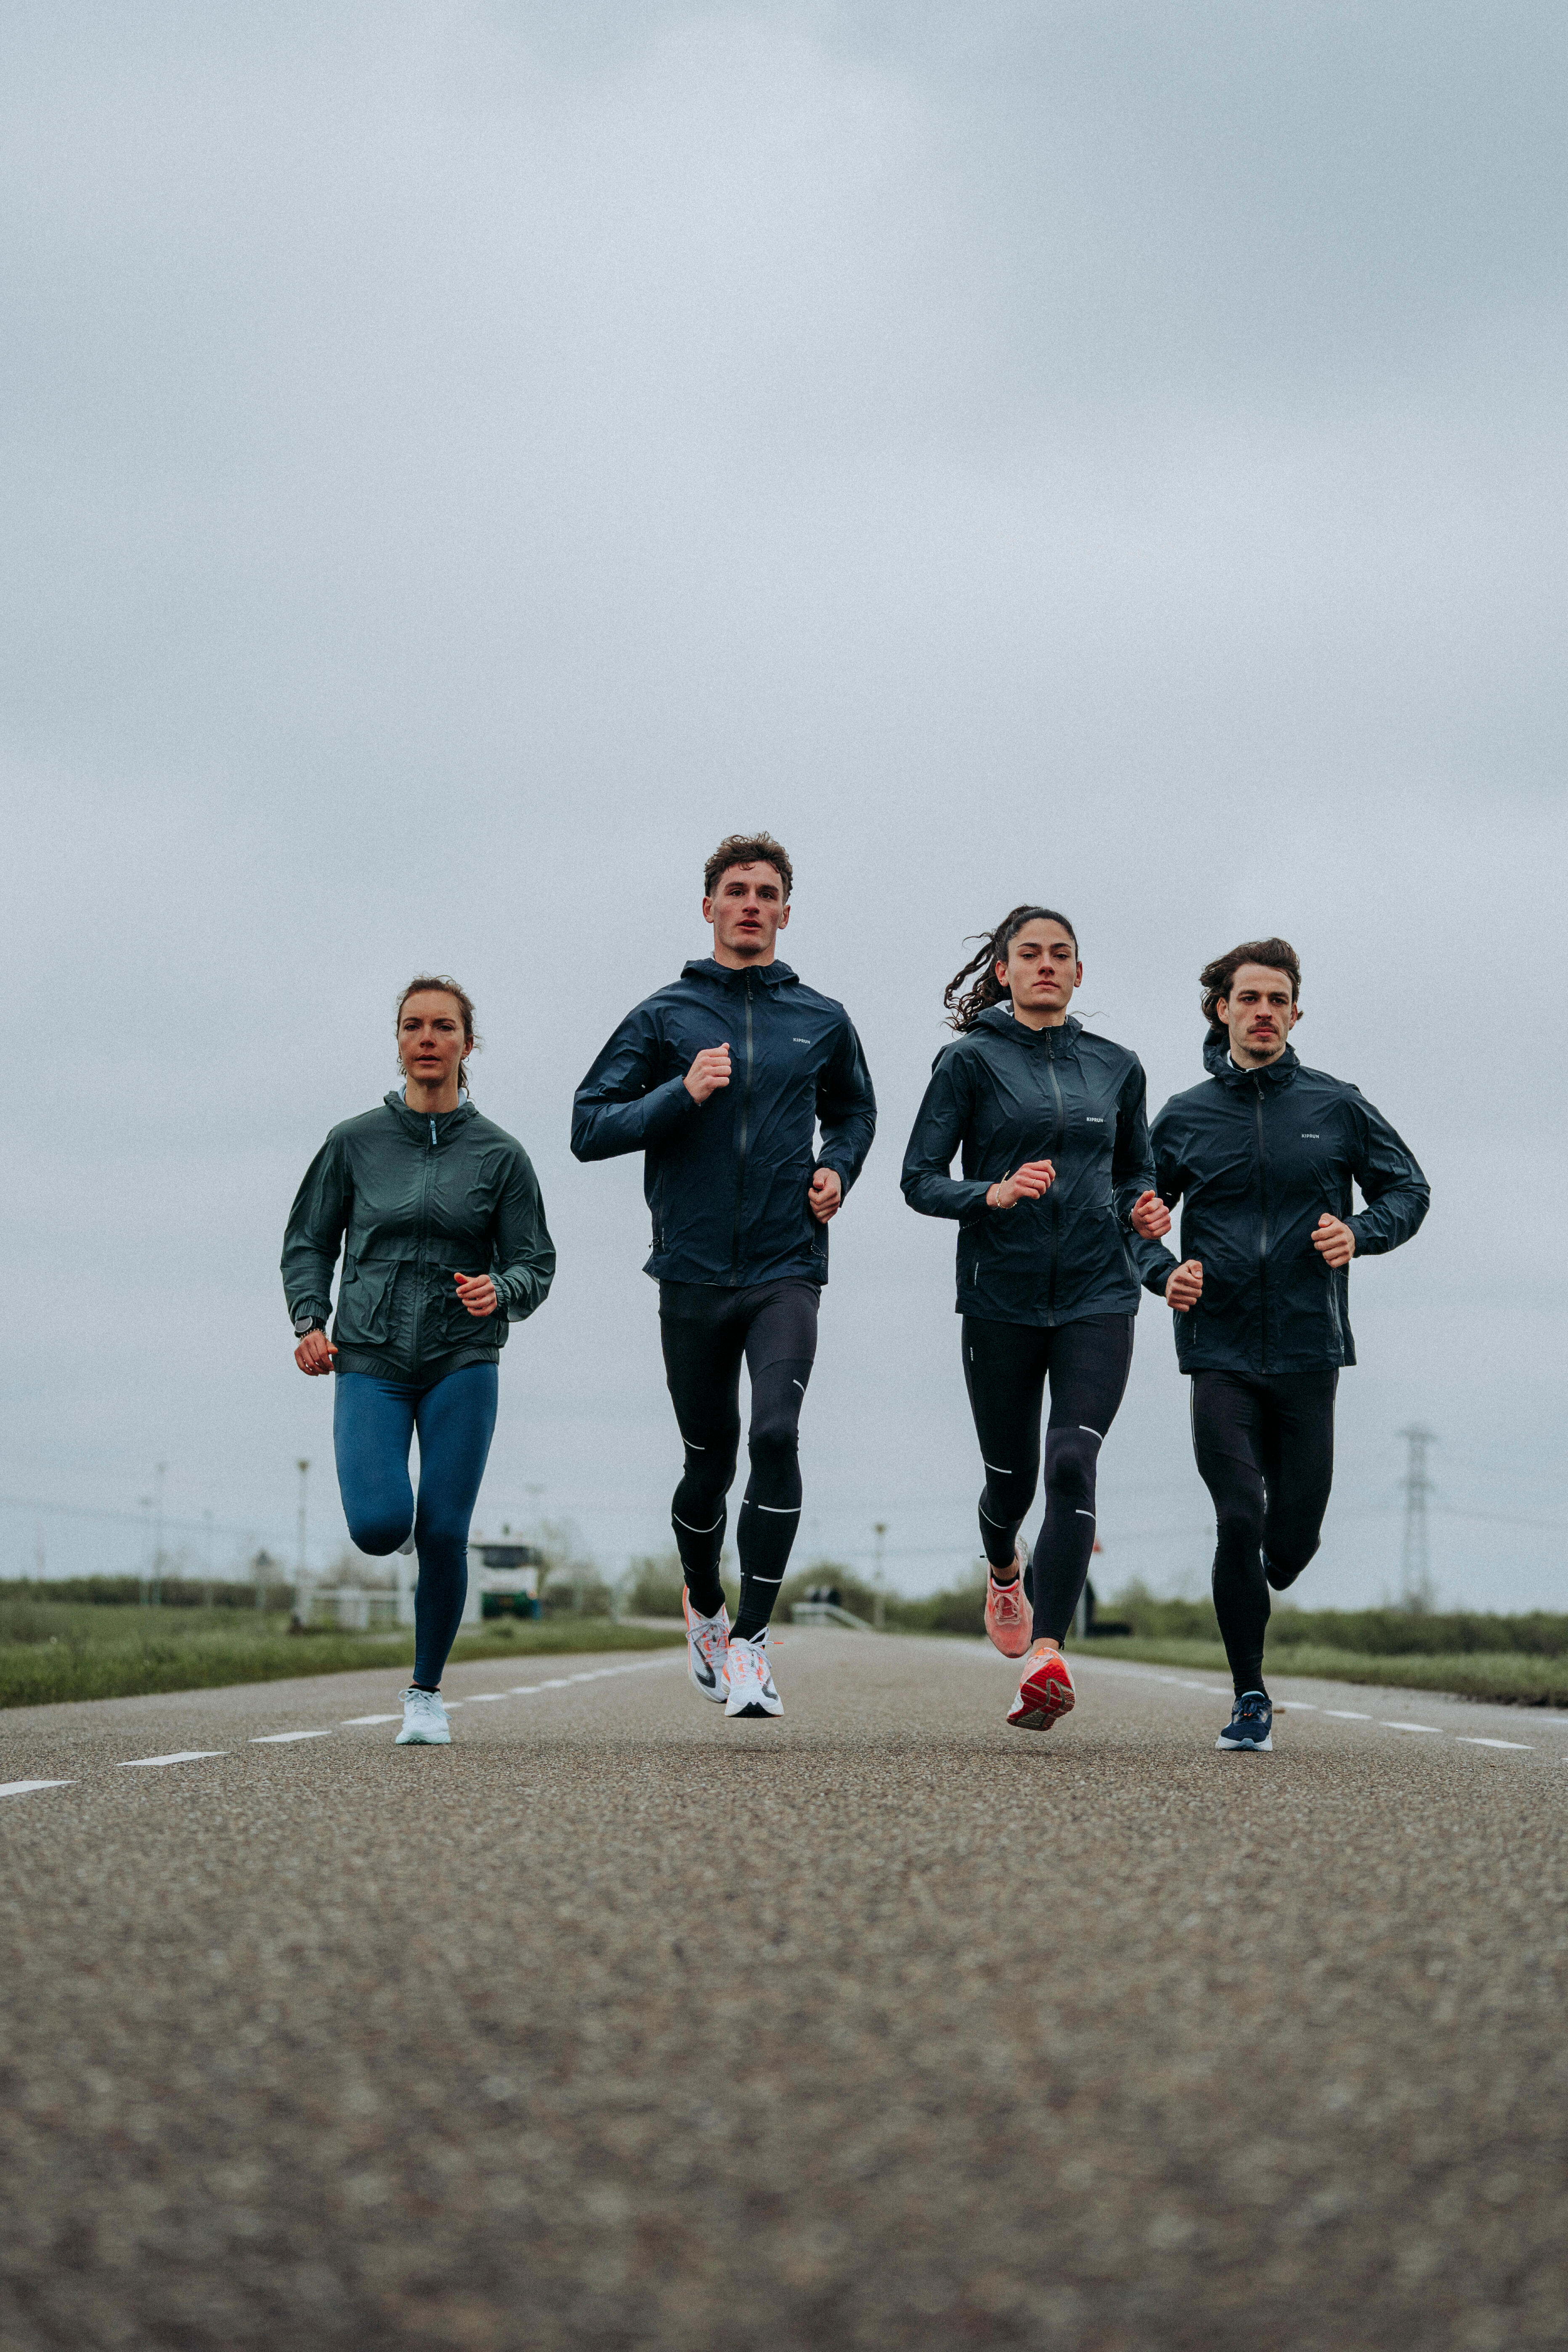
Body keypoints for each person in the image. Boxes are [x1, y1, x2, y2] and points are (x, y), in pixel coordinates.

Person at [571, 833, 876, 1721]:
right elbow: (590, 1126)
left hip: (788, 1263)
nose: (750, 904)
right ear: (707, 907)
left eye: (766, 892)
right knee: (708, 1460)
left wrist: (839, 1167)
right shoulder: (663, 1016)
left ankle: (750, 1643)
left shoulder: (820, 1016)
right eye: (735, 890)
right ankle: (702, 1602)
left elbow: (854, 1107)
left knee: (775, 1437)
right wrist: (683, 1094)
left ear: (786, 910)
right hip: (693, 1270)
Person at [1137, 939, 1429, 1753]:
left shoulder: (1337, 1106)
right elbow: (1135, 1211)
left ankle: (1280, 1563)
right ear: (1222, 1010)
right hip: (1219, 1350)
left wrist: (1361, 1233)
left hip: (1309, 1351)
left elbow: (1409, 1187)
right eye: (1248, 998)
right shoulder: (1185, 1117)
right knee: (1239, 1517)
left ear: (1296, 1013)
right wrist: (1162, 1273)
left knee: (1290, 1541)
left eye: (1278, 1000)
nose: (1263, 1011)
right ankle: (1251, 1697)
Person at [901, 905, 1169, 1733]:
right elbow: (918, 1180)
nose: (1046, 965)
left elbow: (1135, 1178)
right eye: (1030, 954)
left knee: (1072, 1460)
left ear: (1079, 973)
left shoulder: (1117, 1067)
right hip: (999, 1295)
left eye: (1061, 955)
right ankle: (1001, 1562)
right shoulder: (967, 1063)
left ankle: (1048, 1655)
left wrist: (1148, 1213)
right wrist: (993, 1192)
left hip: (1100, 1291)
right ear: (1004, 971)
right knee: (1011, 1478)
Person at [282, 976, 555, 1747]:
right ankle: (398, 1515)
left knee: (443, 1530)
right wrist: (310, 1320)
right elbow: (308, 1242)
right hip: (367, 1354)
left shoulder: (501, 1155)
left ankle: (425, 1693)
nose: (427, 1038)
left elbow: (536, 1262)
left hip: (462, 1357)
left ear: (468, 1045)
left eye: (443, 1026)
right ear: (398, 1042)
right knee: (378, 1527)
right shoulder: (353, 1142)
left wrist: (499, 1290)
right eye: (413, 1026)